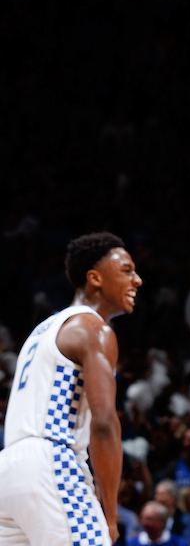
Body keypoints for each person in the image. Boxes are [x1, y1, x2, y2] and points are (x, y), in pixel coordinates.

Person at [0, 232, 142, 546]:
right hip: (51, 461)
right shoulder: (94, 329)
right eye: (127, 270)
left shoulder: (43, 330)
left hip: (7, 472)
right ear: (95, 278)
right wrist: (110, 513)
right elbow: (104, 425)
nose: (138, 280)